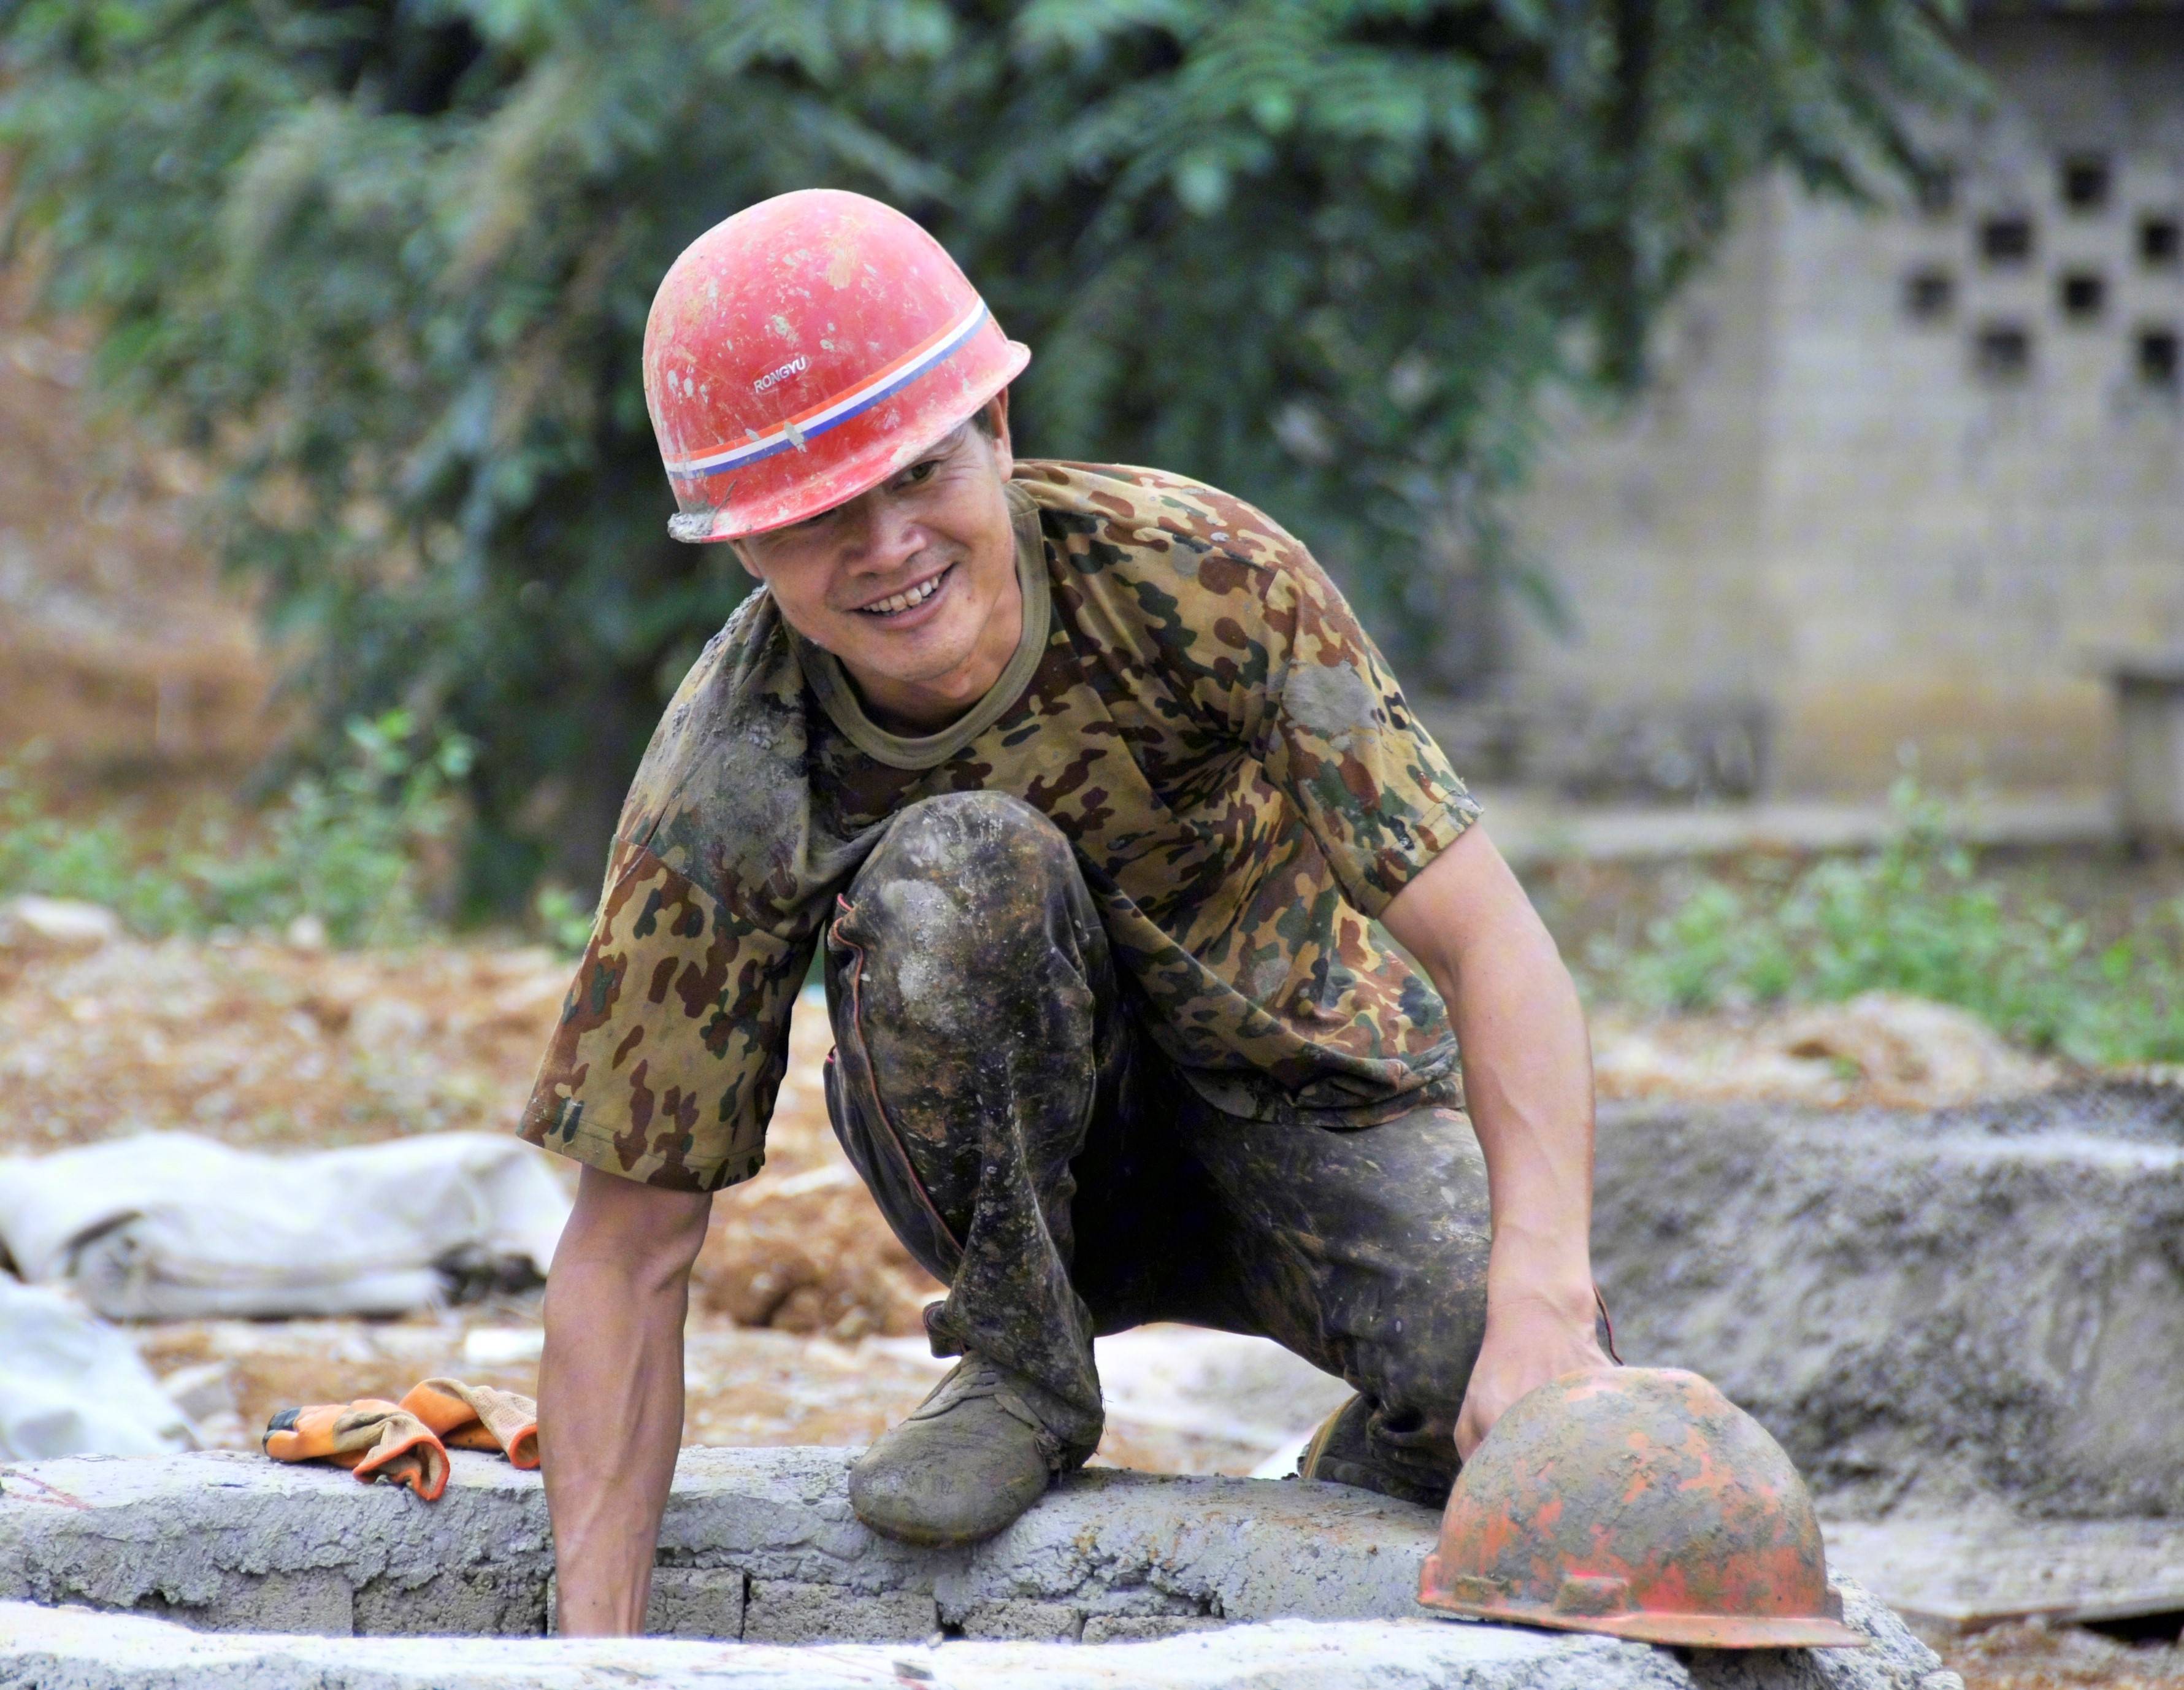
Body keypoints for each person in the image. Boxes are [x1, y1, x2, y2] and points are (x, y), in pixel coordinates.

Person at [523, 188, 1613, 1638]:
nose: (887, 545)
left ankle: (1345, 1481)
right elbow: (627, 1247)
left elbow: (1493, 941)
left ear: (999, 436)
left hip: (1313, 1106)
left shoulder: (1201, 579)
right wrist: (595, 1665)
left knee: (1521, 1379)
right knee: (965, 864)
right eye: (819, 519)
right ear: (744, 548)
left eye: (918, 476)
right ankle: (1025, 1369)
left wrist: (1543, 1289)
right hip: (1024, 1185)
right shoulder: (733, 774)